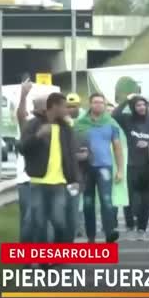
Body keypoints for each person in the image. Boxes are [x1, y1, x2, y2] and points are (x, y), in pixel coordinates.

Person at [19, 93, 80, 244]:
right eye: (64, 106)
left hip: (59, 183)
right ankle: (44, 261)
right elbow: (21, 148)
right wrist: (38, 136)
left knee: (59, 221)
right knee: (39, 223)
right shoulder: (34, 125)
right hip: (38, 181)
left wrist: (75, 180)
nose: (67, 110)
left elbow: (70, 157)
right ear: (54, 107)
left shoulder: (65, 128)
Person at [74, 93, 124, 243]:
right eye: (95, 102)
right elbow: (73, 145)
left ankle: (109, 232)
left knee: (107, 200)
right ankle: (91, 236)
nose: (99, 105)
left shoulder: (111, 123)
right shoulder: (79, 124)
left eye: (101, 103)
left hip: (104, 166)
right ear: (90, 104)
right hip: (86, 168)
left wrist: (120, 169)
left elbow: (117, 147)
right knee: (88, 202)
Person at [112, 94, 149, 241]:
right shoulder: (127, 120)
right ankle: (130, 226)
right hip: (130, 165)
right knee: (130, 199)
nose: (141, 107)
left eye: (143, 105)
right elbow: (115, 114)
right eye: (138, 105)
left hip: (147, 166)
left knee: (146, 199)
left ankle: (142, 228)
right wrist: (127, 99)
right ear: (133, 107)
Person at [15, 81, 46, 243]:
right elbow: (20, 116)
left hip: (49, 181)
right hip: (27, 181)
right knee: (28, 221)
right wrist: (23, 95)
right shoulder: (29, 127)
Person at [65, 93, 89, 241]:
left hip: (77, 173)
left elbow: (85, 154)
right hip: (61, 174)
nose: (71, 109)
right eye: (68, 106)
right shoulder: (59, 124)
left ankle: (78, 228)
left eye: (73, 106)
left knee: (77, 202)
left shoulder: (83, 125)